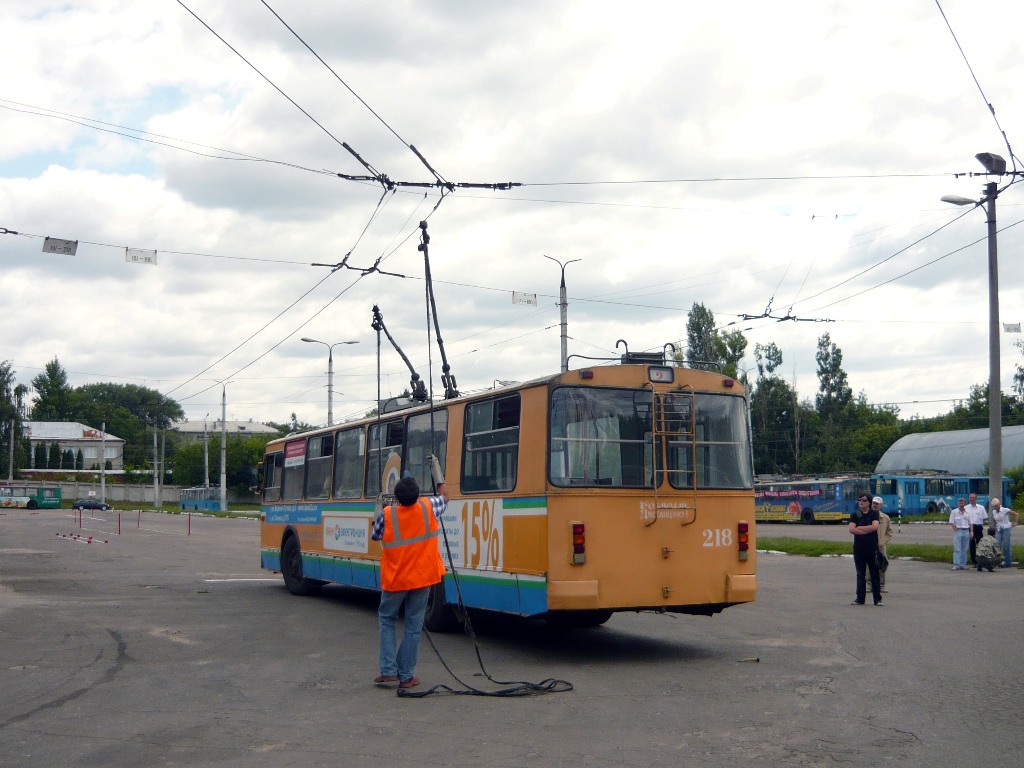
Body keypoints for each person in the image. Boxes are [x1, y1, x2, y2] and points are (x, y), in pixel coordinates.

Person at [371, 455, 449, 690]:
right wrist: (437, 474)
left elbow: (376, 536)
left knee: (387, 620)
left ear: (396, 497)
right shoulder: (429, 507)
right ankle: (406, 676)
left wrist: (379, 508)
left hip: (395, 579)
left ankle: (387, 671)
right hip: (423, 577)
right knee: (414, 626)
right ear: (418, 495)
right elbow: (446, 497)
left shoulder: (387, 515)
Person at [849, 494, 882, 606]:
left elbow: (874, 527)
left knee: (874, 574)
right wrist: (866, 530)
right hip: (859, 549)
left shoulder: (874, 513)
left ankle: (877, 599)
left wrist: (860, 528)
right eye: (860, 500)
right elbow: (852, 529)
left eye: (864, 500)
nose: (861, 502)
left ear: (869, 502)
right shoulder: (855, 515)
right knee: (860, 574)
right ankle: (860, 599)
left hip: (872, 549)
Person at [866, 496, 893, 594]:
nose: (875, 505)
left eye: (877, 504)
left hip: (881, 547)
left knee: (882, 566)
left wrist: (883, 541)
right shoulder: (867, 516)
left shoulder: (885, 518)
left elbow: (889, 532)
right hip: (869, 546)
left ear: (881, 505)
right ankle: (869, 586)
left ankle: (882, 586)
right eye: (873, 503)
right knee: (869, 567)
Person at [990, 498, 1018, 568]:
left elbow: (1016, 514)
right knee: (997, 546)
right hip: (999, 529)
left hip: (1006, 528)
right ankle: (998, 562)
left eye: (996, 505)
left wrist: (1015, 523)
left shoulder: (1005, 510)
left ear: (999, 504)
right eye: (994, 506)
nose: (995, 507)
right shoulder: (994, 512)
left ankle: (1008, 562)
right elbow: (994, 519)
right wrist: (995, 524)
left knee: (1006, 546)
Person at [964, 492, 988, 566]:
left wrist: (979, 523)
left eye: (973, 497)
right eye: (970, 497)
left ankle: (980, 560)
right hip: (969, 527)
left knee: (979, 544)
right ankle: (974, 561)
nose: (971, 499)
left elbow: (984, 518)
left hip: (978, 526)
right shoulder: (966, 508)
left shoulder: (981, 507)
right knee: (972, 544)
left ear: (976, 499)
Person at [949, 498, 971, 570]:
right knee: (957, 549)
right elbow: (952, 522)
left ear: (965, 504)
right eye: (960, 503)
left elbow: (970, 523)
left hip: (966, 531)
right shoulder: (954, 512)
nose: (961, 504)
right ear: (958, 504)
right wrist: (956, 529)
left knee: (964, 549)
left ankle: (963, 564)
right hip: (958, 531)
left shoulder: (968, 512)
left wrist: (972, 532)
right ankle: (956, 564)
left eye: (962, 503)